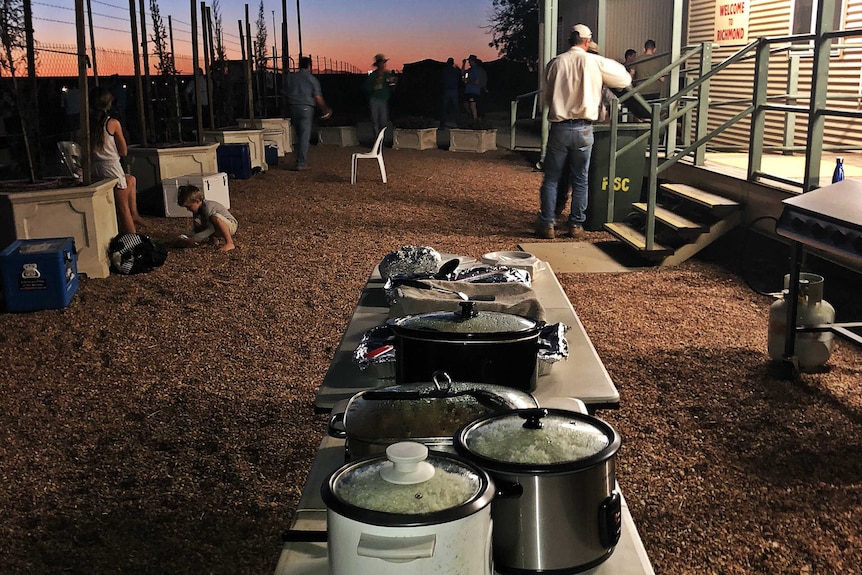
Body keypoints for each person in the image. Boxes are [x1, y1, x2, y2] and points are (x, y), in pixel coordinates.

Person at [536, 24, 632, 240]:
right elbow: (625, 79)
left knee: (552, 178)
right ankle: (576, 225)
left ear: (570, 40)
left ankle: (548, 223)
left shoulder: (556, 63)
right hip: (585, 128)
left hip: (559, 127)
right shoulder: (595, 62)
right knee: (581, 179)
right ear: (587, 42)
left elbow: (546, 98)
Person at [88, 86, 140, 235]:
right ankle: (134, 240)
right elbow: (123, 151)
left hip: (94, 167)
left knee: (130, 180)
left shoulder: (87, 123)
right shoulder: (112, 123)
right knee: (123, 209)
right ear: (108, 103)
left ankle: (133, 217)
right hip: (111, 167)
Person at [287, 56, 332, 171]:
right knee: (304, 135)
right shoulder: (312, 79)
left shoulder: (291, 78)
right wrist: (325, 108)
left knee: (297, 134)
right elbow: (317, 97)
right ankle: (301, 163)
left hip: (293, 107)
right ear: (309, 66)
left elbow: (286, 92)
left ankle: (297, 159)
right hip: (306, 107)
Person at [177, 184, 238, 252]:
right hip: (215, 227)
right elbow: (197, 227)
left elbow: (211, 229)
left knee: (214, 217)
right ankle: (213, 240)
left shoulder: (208, 207)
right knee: (198, 222)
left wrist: (195, 238)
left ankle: (230, 243)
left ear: (197, 201)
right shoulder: (197, 209)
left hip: (230, 226)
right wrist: (186, 236)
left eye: (189, 207)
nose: (188, 209)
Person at [364, 54, 396, 137]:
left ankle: (381, 139)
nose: (382, 65)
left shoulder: (387, 75)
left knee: (383, 121)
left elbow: (392, 88)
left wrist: (393, 84)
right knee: (375, 121)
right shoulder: (373, 75)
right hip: (374, 99)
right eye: (381, 63)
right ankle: (377, 139)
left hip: (384, 99)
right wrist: (374, 85)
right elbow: (366, 87)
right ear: (378, 64)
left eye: (383, 63)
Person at [440, 57, 461, 128]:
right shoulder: (455, 70)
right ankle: (458, 123)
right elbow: (459, 75)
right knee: (456, 107)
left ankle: (442, 124)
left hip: (446, 90)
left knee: (444, 108)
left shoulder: (444, 70)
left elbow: (442, 79)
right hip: (454, 90)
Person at [462, 55, 485, 121]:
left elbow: (476, 81)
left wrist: (467, 80)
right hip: (468, 90)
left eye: (470, 61)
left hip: (474, 90)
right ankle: (472, 118)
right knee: (466, 105)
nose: (469, 62)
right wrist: (463, 64)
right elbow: (462, 73)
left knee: (472, 105)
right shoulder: (469, 70)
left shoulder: (477, 70)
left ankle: (475, 121)